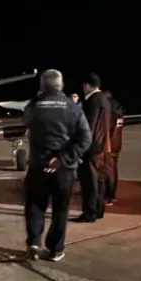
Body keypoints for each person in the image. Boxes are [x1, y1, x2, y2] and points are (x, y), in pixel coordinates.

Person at [22, 69, 91, 262]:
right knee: (61, 209)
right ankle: (55, 249)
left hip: (38, 166)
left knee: (35, 206)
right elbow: (86, 138)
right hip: (64, 169)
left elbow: (24, 121)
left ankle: (34, 244)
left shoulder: (34, 106)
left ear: (43, 86)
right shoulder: (73, 107)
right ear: (61, 85)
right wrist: (63, 158)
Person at [75, 72, 112, 222]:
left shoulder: (92, 101)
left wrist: (80, 147)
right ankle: (98, 210)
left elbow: (88, 127)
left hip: (91, 147)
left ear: (87, 85)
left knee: (89, 181)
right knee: (99, 180)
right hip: (102, 145)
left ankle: (89, 213)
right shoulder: (105, 100)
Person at [102, 89, 124, 205]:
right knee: (113, 168)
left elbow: (107, 126)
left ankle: (109, 195)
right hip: (116, 142)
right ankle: (111, 194)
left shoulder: (108, 107)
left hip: (109, 143)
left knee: (109, 170)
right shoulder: (117, 107)